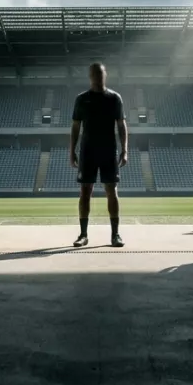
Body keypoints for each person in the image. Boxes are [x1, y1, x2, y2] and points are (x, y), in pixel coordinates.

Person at [70, 62, 128, 248]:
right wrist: (71, 150)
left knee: (112, 191)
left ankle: (115, 235)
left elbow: (121, 124)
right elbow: (76, 126)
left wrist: (124, 149)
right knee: (85, 192)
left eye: (101, 73)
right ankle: (83, 234)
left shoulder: (114, 98)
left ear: (105, 75)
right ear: (90, 76)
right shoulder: (81, 99)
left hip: (108, 150)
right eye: (95, 74)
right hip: (87, 151)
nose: (98, 76)